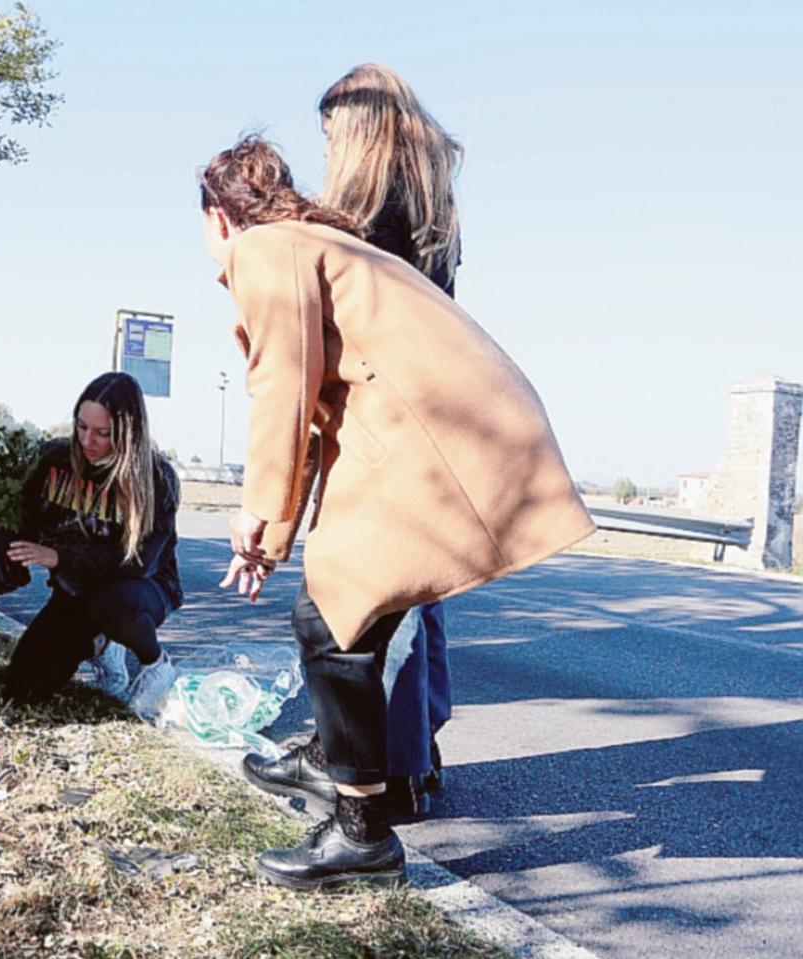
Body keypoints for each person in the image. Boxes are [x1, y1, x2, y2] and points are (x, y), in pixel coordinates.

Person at [200, 135, 593, 889]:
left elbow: (282, 389)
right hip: (445, 436)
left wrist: (254, 512)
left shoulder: (265, 249)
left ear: (220, 216)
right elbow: (314, 415)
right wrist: (272, 537)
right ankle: (337, 778)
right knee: (337, 617)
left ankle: (360, 831)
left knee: (331, 623)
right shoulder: (318, 244)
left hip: (432, 441)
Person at [246, 64, 465, 819]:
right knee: (415, 599)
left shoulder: (371, 216)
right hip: (437, 422)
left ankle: (380, 774)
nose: (328, 147)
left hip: (389, 424)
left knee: (358, 599)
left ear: (359, 128)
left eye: (332, 132)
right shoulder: (435, 207)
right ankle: (410, 756)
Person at [0, 372, 183, 710]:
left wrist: (58, 557)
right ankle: (101, 645)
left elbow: (139, 562)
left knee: (111, 603)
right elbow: (11, 520)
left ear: (129, 433)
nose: (87, 441)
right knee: (23, 689)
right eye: (81, 427)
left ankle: (156, 666)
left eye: (103, 433)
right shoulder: (52, 460)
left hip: (140, 588)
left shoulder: (155, 478)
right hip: (75, 592)